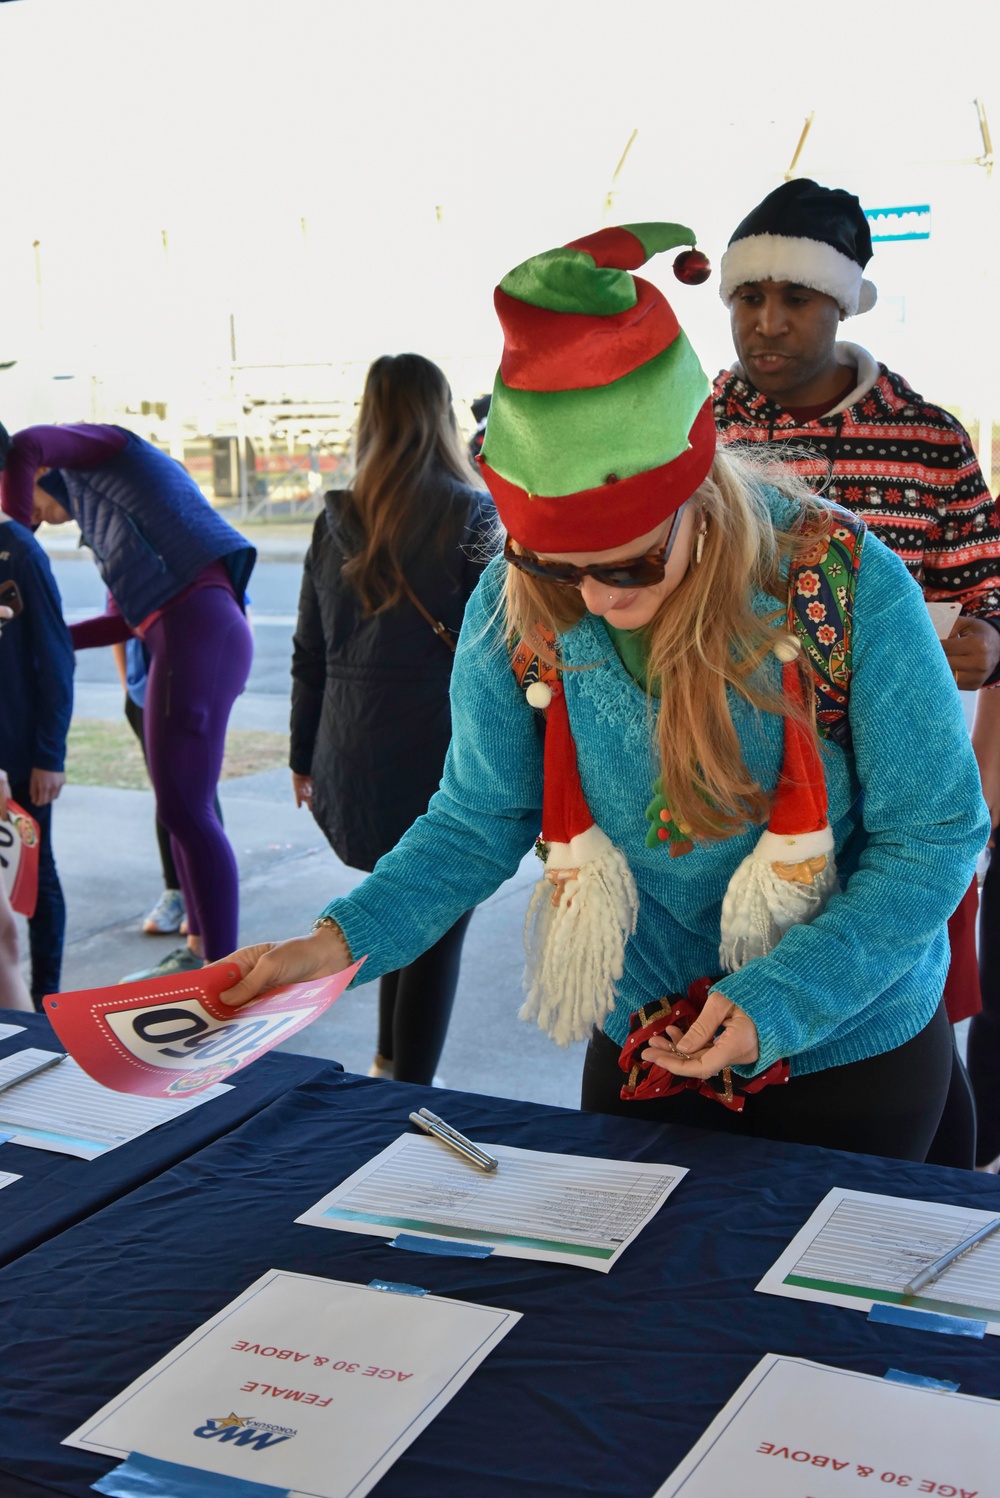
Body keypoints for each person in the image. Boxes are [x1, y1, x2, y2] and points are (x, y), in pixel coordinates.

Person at [220, 222, 988, 1162]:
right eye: (557, 564)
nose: (598, 597)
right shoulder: (517, 603)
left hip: (844, 1049)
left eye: (628, 560)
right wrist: (333, 947)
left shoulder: (840, 581)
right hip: (643, 1041)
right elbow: (476, 821)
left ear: (700, 491)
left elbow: (936, 834)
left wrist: (780, 1000)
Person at [712, 178, 1000, 1166]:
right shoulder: (696, 432)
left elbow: (988, 591)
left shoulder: (930, 438)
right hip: (731, 808)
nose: (766, 321)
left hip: (900, 810)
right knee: (751, 1038)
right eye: (748, 298)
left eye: (793, 297)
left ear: (844, 302)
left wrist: (985, 644)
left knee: (911, 1011)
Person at [289, 353, 494, 1084]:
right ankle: (405, 1094)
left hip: (348, 748)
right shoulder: (474, 515)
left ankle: (385, 1068)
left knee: (391, 909)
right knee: (431, 924)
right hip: (441, 754)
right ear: (442, 416)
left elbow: (308, 649)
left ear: (369, 420)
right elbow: (498, 653)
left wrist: (302, 755)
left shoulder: (335, 517)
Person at [0, 423, 256, 978]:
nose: (36, 518)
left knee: (188, 810)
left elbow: (24, 445)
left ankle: (223, 974)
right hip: (184, 635)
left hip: (199, 631)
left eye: (26, 500)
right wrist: (49, 634)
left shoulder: (110, 451)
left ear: (34, 476)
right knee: (181, 809)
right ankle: (199, 948)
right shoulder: (105, 514)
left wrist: (11, 535)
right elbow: (122, 618)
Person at [0, 449, 74, 1007]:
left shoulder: (20, 552)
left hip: (21, 757)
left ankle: (44, 1003)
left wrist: (49, 755)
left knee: (32, 877)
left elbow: (55, 659)